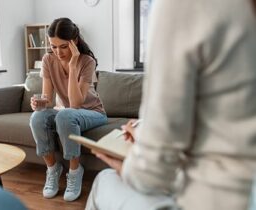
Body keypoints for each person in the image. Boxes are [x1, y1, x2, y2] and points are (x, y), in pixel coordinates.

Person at [85, 0, 256, 210]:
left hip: (214, 200)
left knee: (105, 181)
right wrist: (148, 138)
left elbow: (153, 175)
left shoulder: (183, 5)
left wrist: (129, 166)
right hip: (243, 188)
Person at [29, 17, 107, 202]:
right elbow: (47, 99)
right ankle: (53, 169)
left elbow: (75, 104)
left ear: (74, 42)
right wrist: (39, 104)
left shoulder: (87, 62)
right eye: (53, 46)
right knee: (37, 117)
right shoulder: (48, 59)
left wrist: (72, 66)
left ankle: (74, 171)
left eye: (63, 47)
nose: (57, 52)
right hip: (65, 111)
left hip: (93, 112)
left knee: (65, 114)